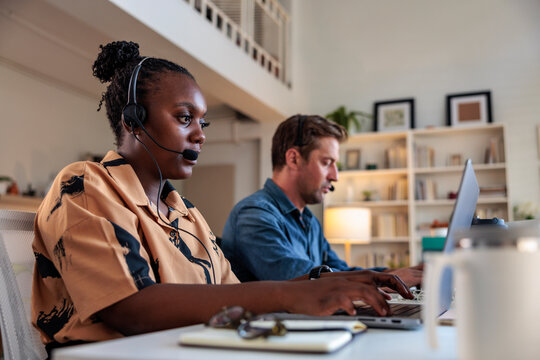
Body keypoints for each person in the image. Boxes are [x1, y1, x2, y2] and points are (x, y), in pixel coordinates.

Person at [31, 41, 413, 354]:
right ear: (132, 121)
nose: (200, 134)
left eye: (203, 123)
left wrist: (336, 283)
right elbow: (131, 307)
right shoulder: (84, 185)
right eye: (185, 118)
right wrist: (293, 294)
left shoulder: (185, 212)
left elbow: (233, 295)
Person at [221, 115, 423, 286]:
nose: (335, 176)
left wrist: (400, 273)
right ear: (293, 159)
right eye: (327, 163)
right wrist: (385, 279)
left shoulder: (308, 221)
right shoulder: (254, 214)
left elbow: (341, 270)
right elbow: (301, 282)